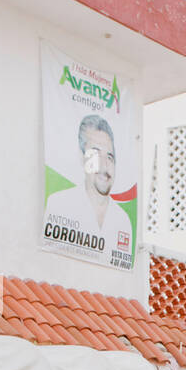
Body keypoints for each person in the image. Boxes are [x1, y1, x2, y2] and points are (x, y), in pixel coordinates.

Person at [42, 114, 135, 266]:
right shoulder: (59, 204)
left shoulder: (123, 221)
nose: (104, 166)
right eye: (96, 154)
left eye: (110, 157)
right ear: (81, 157)